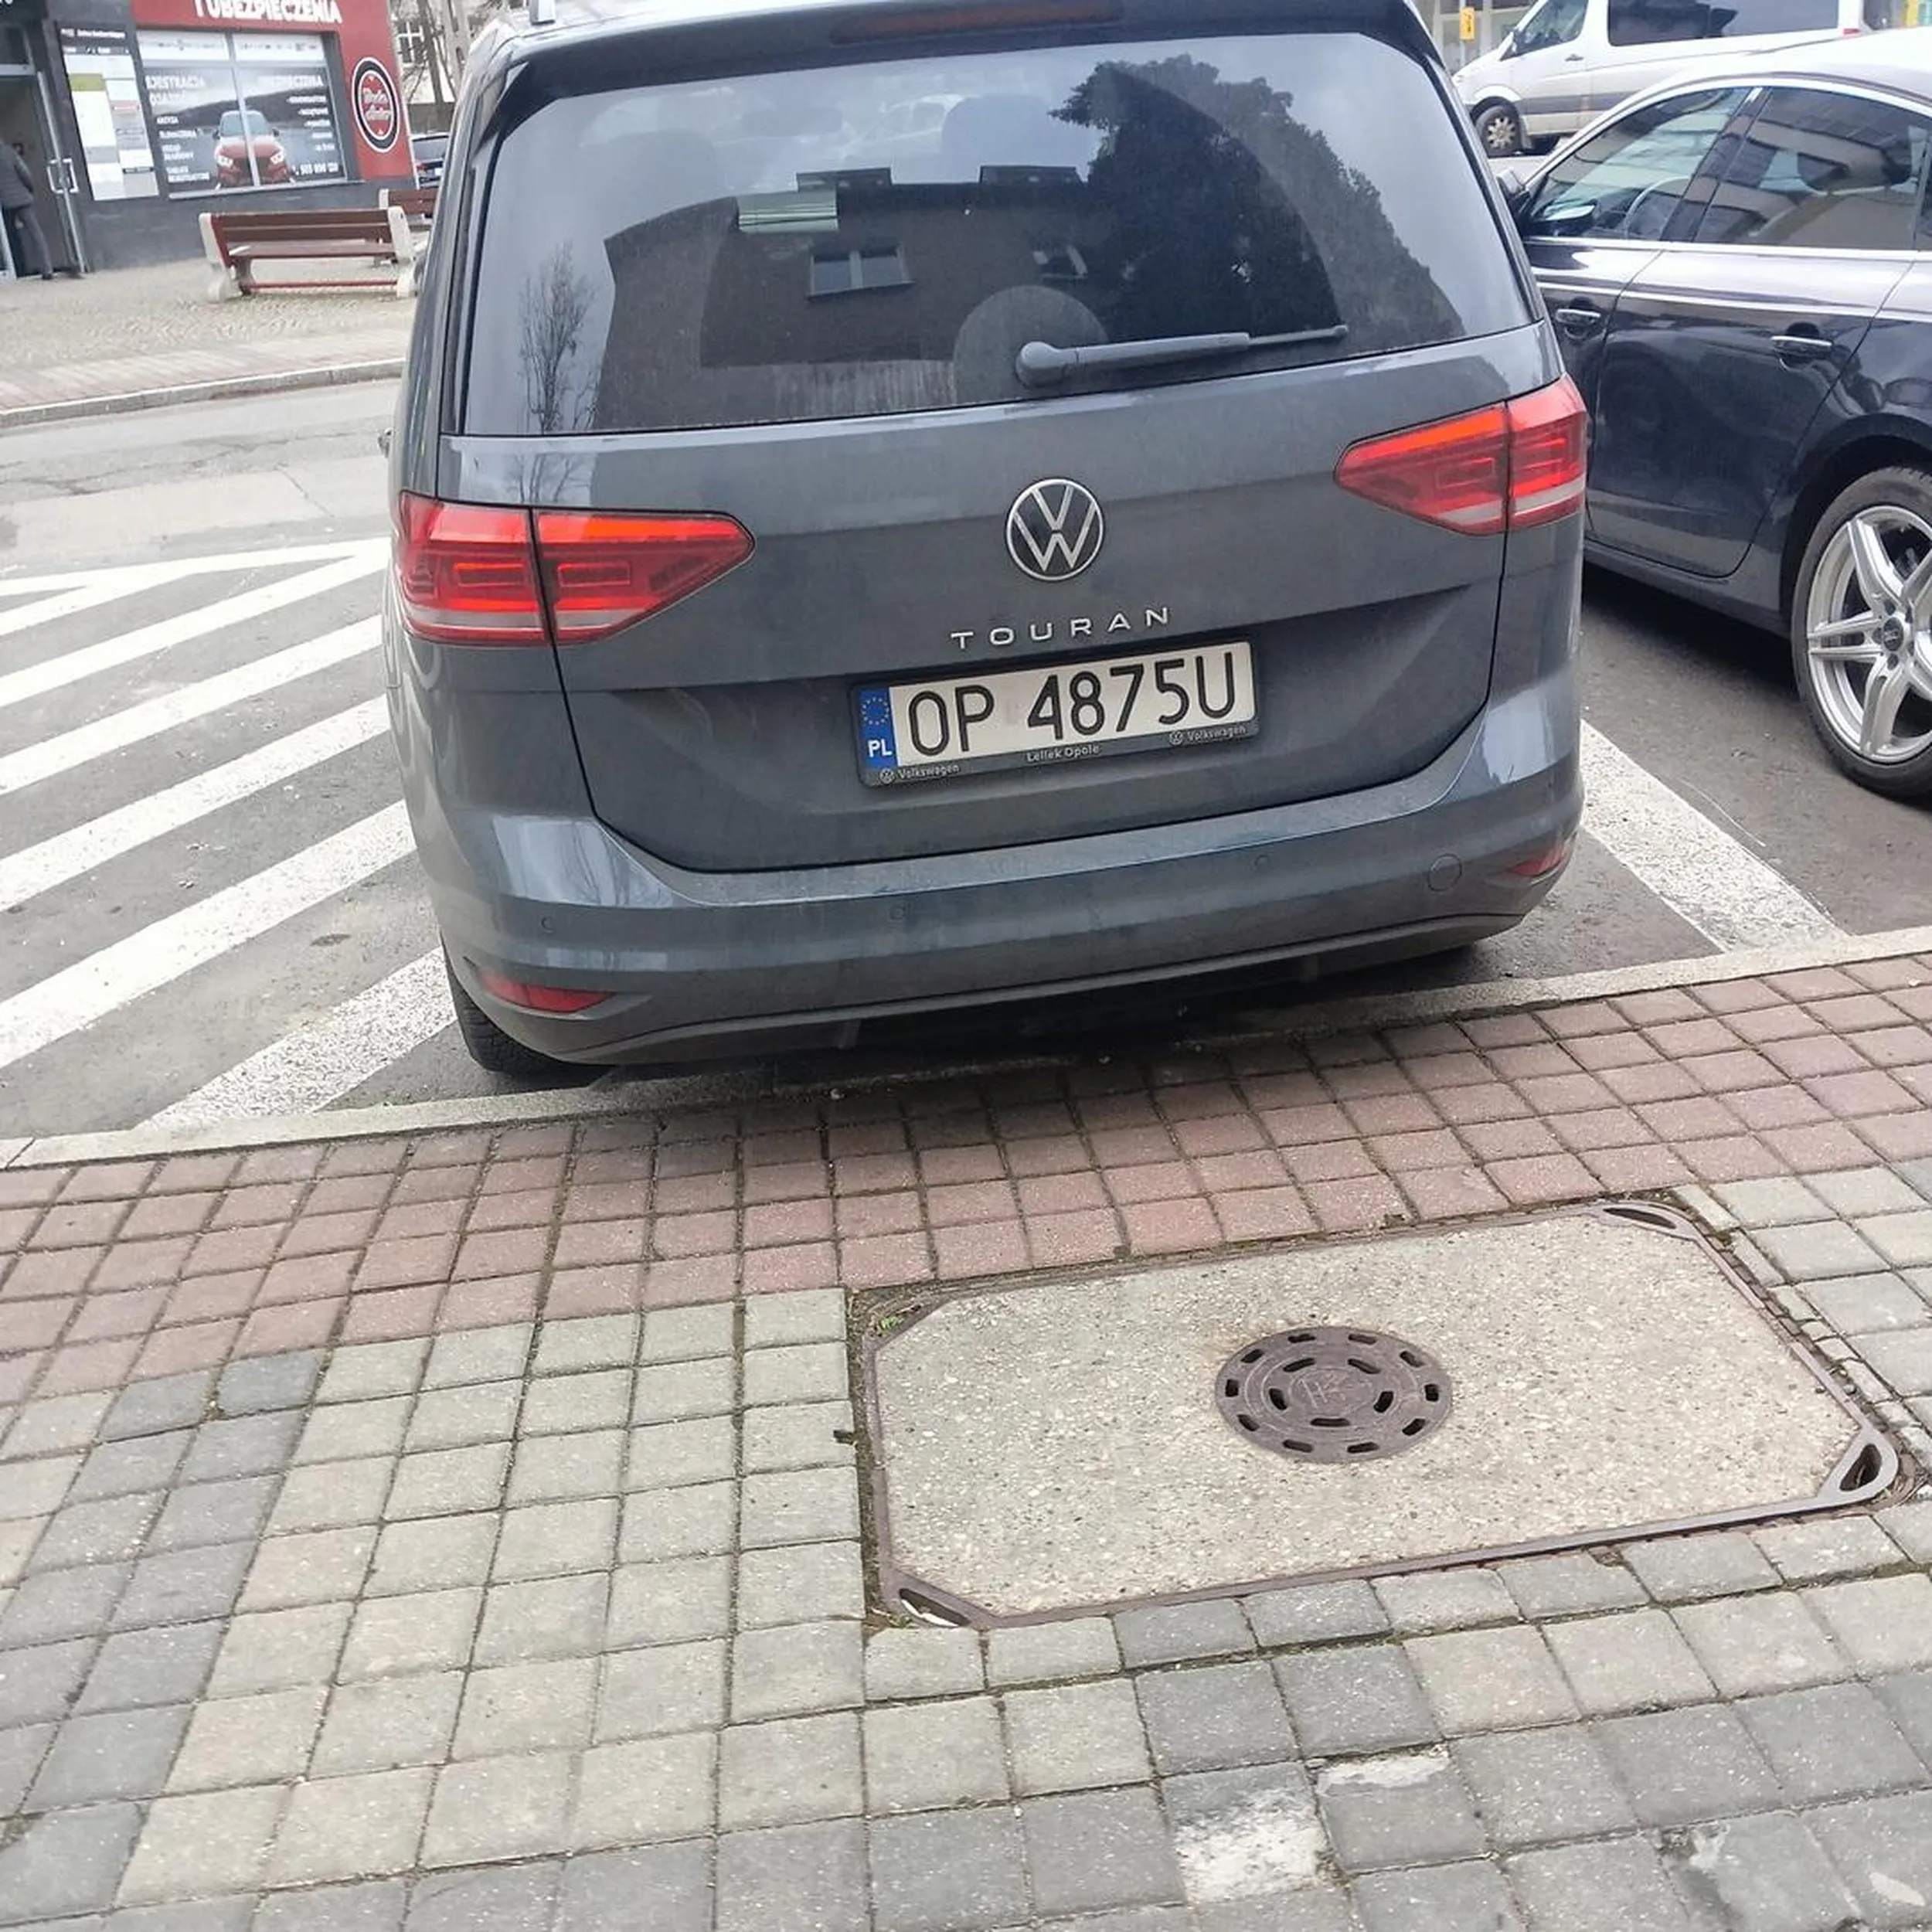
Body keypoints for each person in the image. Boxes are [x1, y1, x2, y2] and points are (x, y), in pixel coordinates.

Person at [1, 141, 55, 281]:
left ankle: (16, 269)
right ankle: (47, 269)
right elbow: (25, 173)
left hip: (4, 204)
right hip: (22, 200)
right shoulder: (10, 153)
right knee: (36, 234)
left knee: (9, 238)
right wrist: (29, 190)